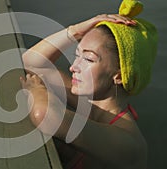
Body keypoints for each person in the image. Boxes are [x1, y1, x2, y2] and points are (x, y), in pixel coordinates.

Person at [19, 0, 157, 168]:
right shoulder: (90, 103)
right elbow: (30, 63)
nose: (73, 67)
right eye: (77, 55)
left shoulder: (129, 144)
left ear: (119, 76)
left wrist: (37, 90)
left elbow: (46, 115)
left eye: (88, 59)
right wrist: (75, 31)